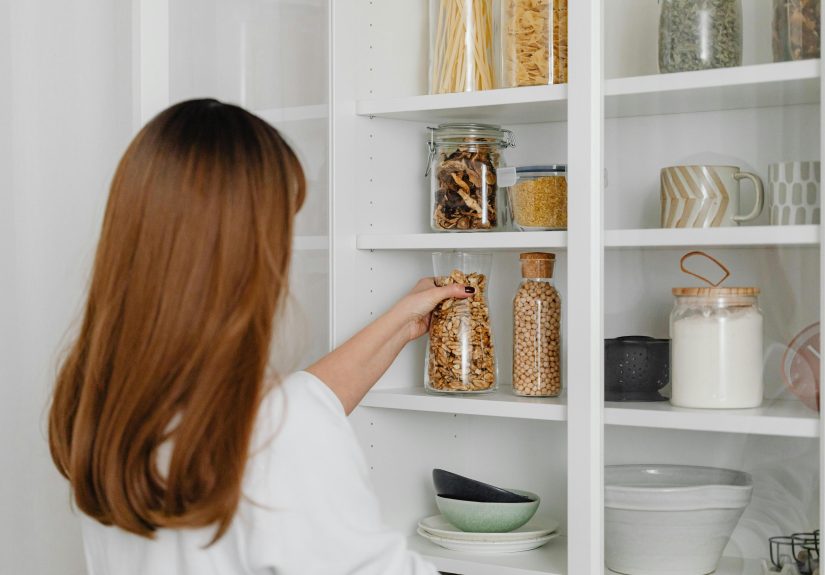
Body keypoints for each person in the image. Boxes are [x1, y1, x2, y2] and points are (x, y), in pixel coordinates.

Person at [48, 99, 474, 575]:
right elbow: (284, 425)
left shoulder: (106, 406)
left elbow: (286, 407)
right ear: (245, 251)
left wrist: (400, 322)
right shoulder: (285, 431)